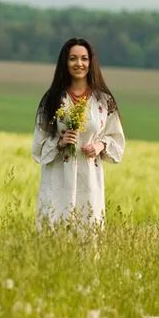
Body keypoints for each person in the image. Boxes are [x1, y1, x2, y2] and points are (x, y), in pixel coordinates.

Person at [32, 37, 126, 231]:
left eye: (84, 58)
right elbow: (38, 147)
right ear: (64, 63)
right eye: (73, 58)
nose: (79, 64)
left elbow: (117, 140)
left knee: (87, 236)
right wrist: (59, 142)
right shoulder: (51, 100)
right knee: (54, 238)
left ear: (91, 63)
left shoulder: (104, 101)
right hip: (57, 180)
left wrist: (100, 145)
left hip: (89, 180)